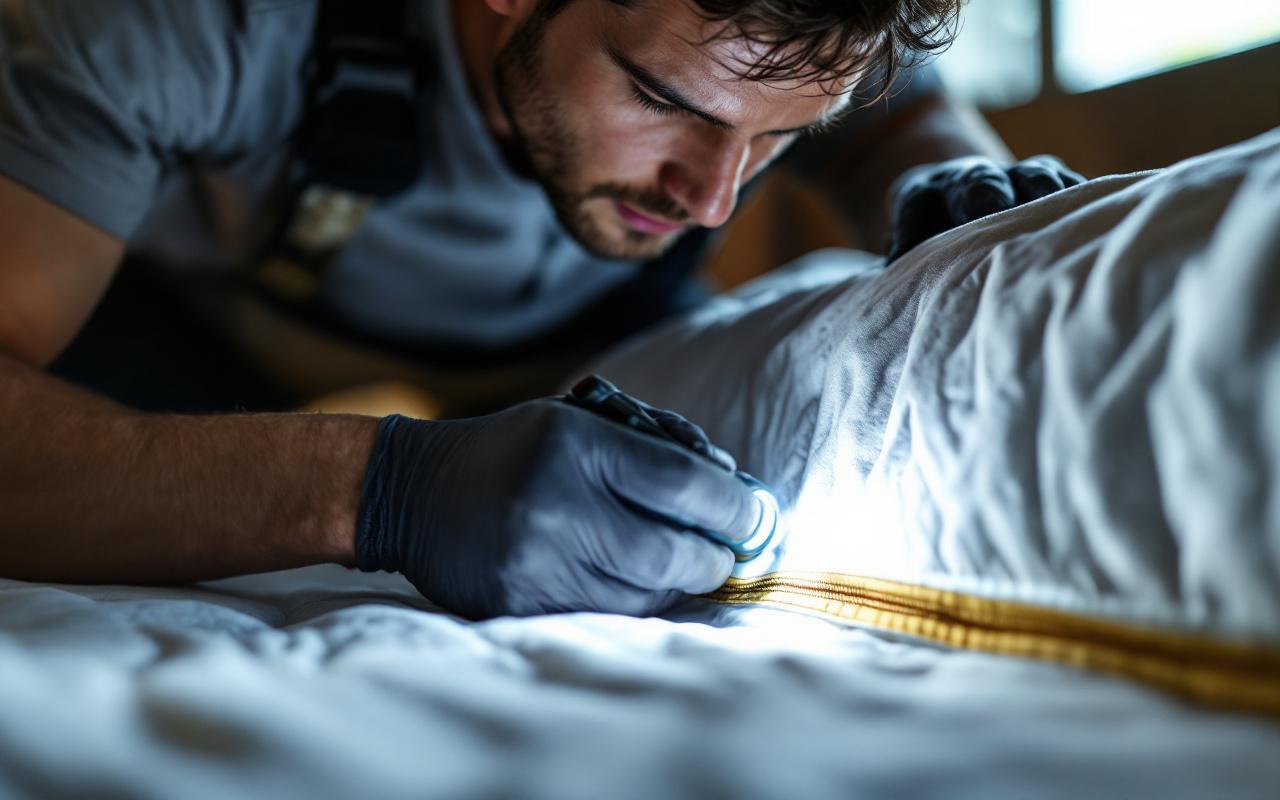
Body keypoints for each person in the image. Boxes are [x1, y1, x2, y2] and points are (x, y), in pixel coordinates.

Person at [0, 0, 1081, 619]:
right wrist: (378, 490)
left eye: (779, 136)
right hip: (193, 340)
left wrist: (955, 190)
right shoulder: (176, 25)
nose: (710, 200)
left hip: (594, 347)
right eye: (660, 99)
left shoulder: (793, 37)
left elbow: (900, 120)